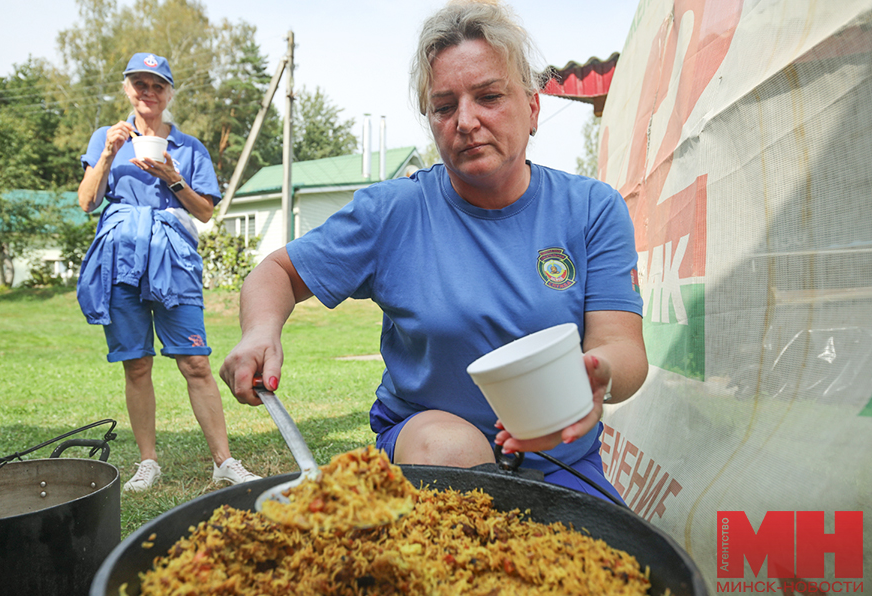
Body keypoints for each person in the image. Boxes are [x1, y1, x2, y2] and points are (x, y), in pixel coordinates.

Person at [220, 0, 647, 503]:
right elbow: (277, 272)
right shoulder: (393, 212)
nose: (465, 121)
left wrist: (591, 378)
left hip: (559, 454)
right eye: (444, 107)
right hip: (433, 450)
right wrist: (260, 331)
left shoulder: (591, 208)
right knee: (451, 449)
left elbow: (623, 349)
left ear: (533, 108)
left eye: (489, 96)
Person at [77, 52, 260, 492]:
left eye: (157, 85)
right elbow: (87, 201)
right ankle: (148, 463)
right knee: (137, 366)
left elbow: (207, 212)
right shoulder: (106, 137)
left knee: (196, 362)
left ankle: (224, 461)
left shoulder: (189, 148)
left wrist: (173, 178)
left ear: (168, 93)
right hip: (120, 259)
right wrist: (106, 155)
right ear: (127, 89)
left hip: (173, 261)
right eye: (140, 83)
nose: (148, 92)